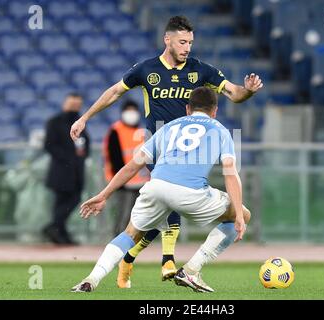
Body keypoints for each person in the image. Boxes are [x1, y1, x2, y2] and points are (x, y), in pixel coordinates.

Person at [70, 15, 262, 287]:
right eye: (182, 42)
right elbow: (114, 92)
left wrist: (249, 91)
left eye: (191, 43)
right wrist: (85, 117)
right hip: (163, 151)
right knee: (176, 207)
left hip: (173, 156)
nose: (187, 48)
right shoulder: (147, 70)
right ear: (167, 39)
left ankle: (114, 267)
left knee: (150, 218)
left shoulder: (200, 70)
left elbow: (235, 92)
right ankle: (177, 264)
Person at [71, 87, 251, 293]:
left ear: (187, 109)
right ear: (215, 111)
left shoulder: (169, 127)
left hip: (156, 187)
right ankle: (192, 269)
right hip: (191, 193)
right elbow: (230, 174)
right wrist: (237, 215)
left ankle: (91, 279)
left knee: (130, 233)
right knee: (244, 214)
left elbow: (132, 165)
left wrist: (104, 195)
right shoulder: (220, 130)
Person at [43, 93, 90, 245]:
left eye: (77, 105)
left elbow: (85, 145)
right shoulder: (55, 122)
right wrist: (69, 158)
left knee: (73, 200)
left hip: (77, 171)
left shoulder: (80, 123)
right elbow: (49, 145)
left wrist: (80, 157)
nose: (74, 108)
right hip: (61, 172)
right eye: (72, 104)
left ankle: (55, 228)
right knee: (62, 202)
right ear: (65, 104)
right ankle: (57, 230)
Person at [103, 100, 149, 237]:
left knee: (138, 216)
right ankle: (117, 240)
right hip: (124, 182)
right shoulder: (115, 131)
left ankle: (133, 240)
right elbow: (114, 157)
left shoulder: (142, 131)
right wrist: (119, 181)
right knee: (123, 214)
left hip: (142, 182)